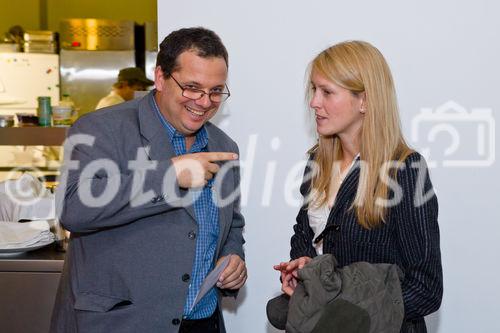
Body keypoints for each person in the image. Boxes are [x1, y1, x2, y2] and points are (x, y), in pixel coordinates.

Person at [51, 27, 247, 333]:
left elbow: (231, 222)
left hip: (202, 321)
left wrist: (232, 256)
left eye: (216, 90)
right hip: (121, 323)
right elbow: (73, 209)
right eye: (192, 87)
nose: (204, 101)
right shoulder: (100, 128)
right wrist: (168, 176)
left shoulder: (225, 146)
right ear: (160, 78)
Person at [273, 41, 443, 332]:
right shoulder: (317, 162)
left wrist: (350, 315)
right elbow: (303, 239)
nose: (314, 102)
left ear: (364, 101)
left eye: (327, 92)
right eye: (314, 90)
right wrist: (303, 271)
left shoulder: (405, 170)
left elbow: (426, 289)